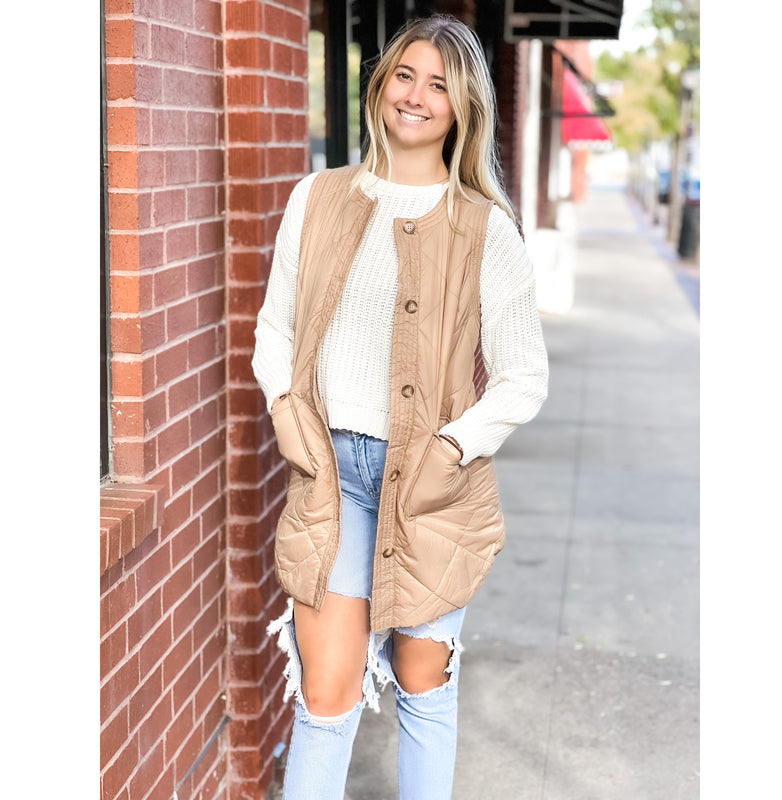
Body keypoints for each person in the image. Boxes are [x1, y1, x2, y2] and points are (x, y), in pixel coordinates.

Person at [252, 13, 548, 800]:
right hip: (332, 478)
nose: (416, 96)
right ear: (381, 84)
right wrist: (283, 407)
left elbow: (523, 376)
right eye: (405, 76)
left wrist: (452, 448)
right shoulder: (317, 198)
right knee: (326, 697)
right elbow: (276, 326)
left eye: (438, 86)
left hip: (430, 487)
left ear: (462, 108)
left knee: (423, 686)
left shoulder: (484, 228)